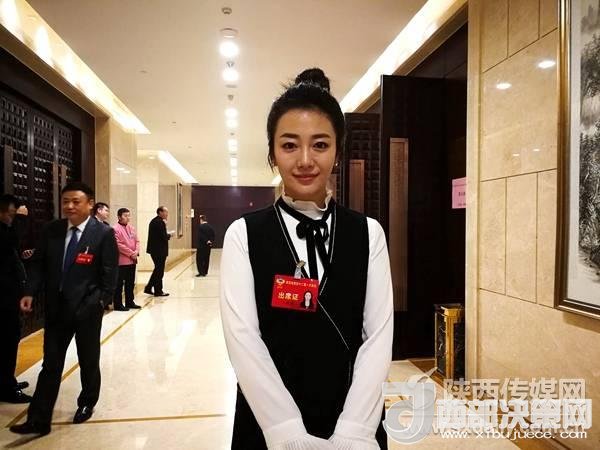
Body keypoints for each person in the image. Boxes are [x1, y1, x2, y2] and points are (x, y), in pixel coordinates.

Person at [220, 68, 393, 450]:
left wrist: (355, 430)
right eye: (289, 145)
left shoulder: (369, 233)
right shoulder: (243, 234)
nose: (304, 160)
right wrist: (286, 431)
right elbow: (243, 339)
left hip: (352, 414)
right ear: (271, 153)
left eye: (320, 145)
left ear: (337, 152)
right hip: (266, 422)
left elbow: (378, 337)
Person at [10, 182, 118, 436]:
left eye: (76, 201)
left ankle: (87, 402)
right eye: (66, 201)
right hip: (57, 309)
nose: (69, 206)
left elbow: (109, 274)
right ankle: (39, 419)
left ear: (90, 204)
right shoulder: (52, 230)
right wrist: (29, 292)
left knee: (88, 359)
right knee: (51, 364)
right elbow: (38, 264)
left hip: (87, 310)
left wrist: (99, 302)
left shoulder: (102, 234)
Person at [0, 194, 31, 404]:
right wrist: (20, 219)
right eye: (12, 214)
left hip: (8, 298)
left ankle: (7, 380)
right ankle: (6, 388)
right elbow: (11, 240)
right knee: (6, 343)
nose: (13, 218)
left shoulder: (5, 230)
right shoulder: (4, 232)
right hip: (3, 300)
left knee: (9, 342)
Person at [113, 208, 141, 311]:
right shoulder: (115, 229)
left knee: (130, 282)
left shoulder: (131, 228)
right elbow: (118, 244)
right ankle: (118, 304)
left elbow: (137, 241)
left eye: (129, 215)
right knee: (119, 284)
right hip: (122, 261)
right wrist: (131, 253)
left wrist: (136, 251)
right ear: (119, 217)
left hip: (132, 260)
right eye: (125, 216)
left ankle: (130, 301)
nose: (128, 218)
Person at [144, 206, 171, 297]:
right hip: (159, 251)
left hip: (155, 250)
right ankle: (158, 291)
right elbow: (163, 237)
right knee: (159, 271)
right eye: (165, 212)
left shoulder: (155, 221)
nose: (167, 214)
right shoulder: (159, 222)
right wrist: (169, 235)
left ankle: (149, 287)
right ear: (160, 212)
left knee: (158, 270)